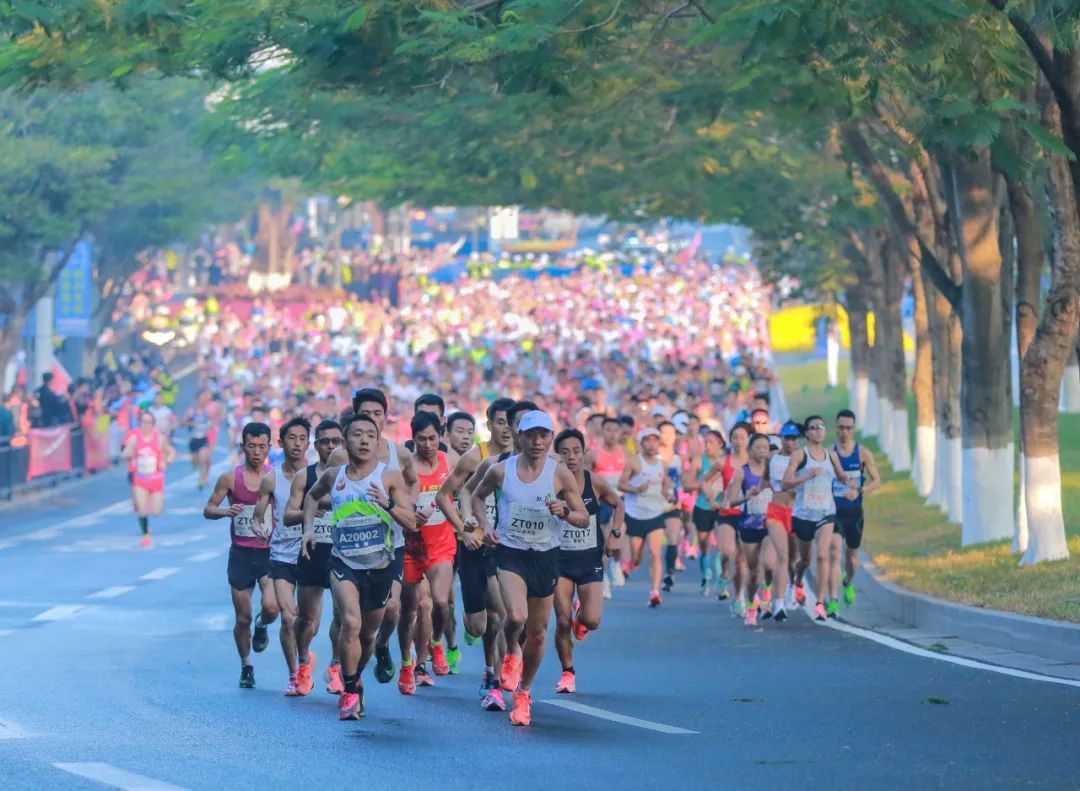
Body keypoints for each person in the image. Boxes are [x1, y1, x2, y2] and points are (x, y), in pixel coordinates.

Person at [470, 410, 589, 727]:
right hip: (510, 552)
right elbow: (476, 497)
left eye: (544, 435)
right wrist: (485, 526)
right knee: (517, 617)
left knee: (536, 634)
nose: (538, 442)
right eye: (532, 435)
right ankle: (510, 653)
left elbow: (583, 517)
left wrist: (564, 511)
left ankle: (523, 693)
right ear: (519, 436)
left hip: (545, 556)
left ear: (550, 438)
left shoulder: (559, 473)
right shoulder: (500, 470)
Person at [301, 413, 417, 720]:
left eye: (370, 435)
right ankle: (350, 692)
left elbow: (411, 523)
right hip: (343, 563)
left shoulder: (389, 476)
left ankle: (356, 676)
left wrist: (387, 503)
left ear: (377, 442)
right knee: (350, 622)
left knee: (367, 634)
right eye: (357, 434)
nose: (364, 440)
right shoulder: (333, 476)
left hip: (381, 565)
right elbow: (311, 499)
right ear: (345, 441)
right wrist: (309, 529)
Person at [435, 396, 515, 711]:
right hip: (474, 548)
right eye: (500, 423)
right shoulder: (474, 458)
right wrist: (463, 529)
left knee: (503, 614)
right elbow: (444, 496)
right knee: (480, 625)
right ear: (490, 424)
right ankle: (488, 667)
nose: (507, 429)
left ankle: (495, 681)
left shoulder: (526, 461)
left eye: (512, 423)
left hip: (507, 549)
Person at [203, 422, 280, 689]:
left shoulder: (276, 476)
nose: (257, 452)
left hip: (270, 552)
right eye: (251, 446)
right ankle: (247, 665)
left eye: (262, 446)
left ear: (269, 447)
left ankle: (262, 625)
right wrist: (226, 511)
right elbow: (209, 508)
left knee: (271, 608)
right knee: (241, 617)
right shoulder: (230, 478)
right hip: (241, 555)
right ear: (243, 447)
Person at [552, 428, 623, 694]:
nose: (571, 457)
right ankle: (567, 672)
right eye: (564, 452)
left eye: (576, 451)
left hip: (590, 558)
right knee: (561, 620)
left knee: (592, 620)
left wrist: (615, 534)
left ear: (584, 453)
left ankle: (581, 617)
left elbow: (618, 505)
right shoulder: (551, 481)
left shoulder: (595, 481)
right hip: (559, 559)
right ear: (556, 455)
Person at [397, 411, 460, 693]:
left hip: (442, 545)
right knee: (410, 610)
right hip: (412, 547)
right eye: (421, 439)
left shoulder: (451, 461)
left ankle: (435, 643)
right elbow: (395, 501)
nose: (428, 444)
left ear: (441, 437)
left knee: (440, 602)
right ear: (413, 439)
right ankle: (407, 664)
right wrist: (410, 513)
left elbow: (465, 493)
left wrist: (463, 518)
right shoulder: (405, 467)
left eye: (432, 438)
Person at [252, 417, 312, 695]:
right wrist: (259, 528)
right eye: (291, 438)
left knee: (307, 622)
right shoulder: (271, 478)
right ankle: (294, 674)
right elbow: (256, 517)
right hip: (281, 554)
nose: (297, 444)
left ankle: (304, 659)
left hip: (313, 553)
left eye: (302, 439)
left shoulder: (319, 476)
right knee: (289, 618)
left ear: (308, 443)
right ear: (281, 443)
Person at [288, 419, 346, 694]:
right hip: (312, 552)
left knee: (343, 615)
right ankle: (303, 663)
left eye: (336, 441)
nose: (331, 446)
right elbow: (288, 515)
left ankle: (335, 667)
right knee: (306, 619)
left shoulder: (352, 476)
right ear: (317, 445)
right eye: (325, 441)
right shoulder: (305, 477)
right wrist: (309, 515)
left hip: (342, 554)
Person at [782, 415, 853, 621]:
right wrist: (807, 475)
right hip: (803, 515)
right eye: (813, 427)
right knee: (804, 559)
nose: (818, 430)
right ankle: (797, 580)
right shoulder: (799, 455)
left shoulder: (831, 455)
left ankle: (820, 603)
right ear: (806, 433)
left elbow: (841, 476)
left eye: (821, 426)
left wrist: (851, 484)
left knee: (823, 556)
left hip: (826, 513)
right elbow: (786, 483)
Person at [618, 427, 674, 607]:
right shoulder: (634, 462)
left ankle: (655, 592)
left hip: (655, 514)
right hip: (635, 514)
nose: (651, 444)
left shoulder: (662, 464)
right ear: (641, 444)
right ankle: (633, 562)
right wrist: (636, 489)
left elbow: (665, 487)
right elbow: (621, 484)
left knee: (656, 553)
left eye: (655, 440)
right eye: (647, 440)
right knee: (636, 556)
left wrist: (669, 495)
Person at [830, 410, 880, 609]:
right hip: (833, 513)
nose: (844, 432)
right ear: (836, 428)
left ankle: (848, 582)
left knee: (851, 556)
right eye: (841, 427)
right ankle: (832, 600)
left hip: (854, 514)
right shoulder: (829, 453)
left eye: (848, 428)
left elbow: (877, 481)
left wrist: (859, 490)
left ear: (854, 429)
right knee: (834, 553)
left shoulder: (862, 453)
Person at [722, 432, 773, 626]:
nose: (762, 451)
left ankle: (767, 590)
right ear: (750, 449)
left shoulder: (773, 471)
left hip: (770, 524)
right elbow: (732, 501)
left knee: (768, 564)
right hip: (749, 525)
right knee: (753, 572)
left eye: (765, 448)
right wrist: (747, 496)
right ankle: (752, 605)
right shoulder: (742, 472)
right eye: (758, 447)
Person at [122, 411, 175, 548]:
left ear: (153, 424)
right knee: (141, 509)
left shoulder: (159, 438)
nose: (146, 425)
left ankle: (150, 503)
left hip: (156, 479)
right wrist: (128, 453)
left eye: (149, 422)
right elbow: (126, 451)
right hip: (140, 479)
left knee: (157, 512)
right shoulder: (135, 438)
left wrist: (167, 461)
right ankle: (145, 535)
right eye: (143, 422)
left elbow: (171, 452)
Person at [588, 416, 627, 597]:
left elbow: (636, 475)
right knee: (604, 540)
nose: (612, 434)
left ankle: (617, 564)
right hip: (603, 503)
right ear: (602, 432)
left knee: (618, 536)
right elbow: (584, 477)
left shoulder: (626, 454)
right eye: (608, 430)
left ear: (620, 433)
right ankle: (603, 581)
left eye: (615, 430)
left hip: (621, 503)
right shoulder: (594, 454)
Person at [185, 389, 216, 489]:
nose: (203, 400)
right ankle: (194, 464)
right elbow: (183, 422)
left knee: (203, 459)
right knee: (195, 460)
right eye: (201, 398)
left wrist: (210, 425)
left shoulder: (207, 411)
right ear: (197, 399)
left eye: (205, 398)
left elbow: (212, 422)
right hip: (193, 439)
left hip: (203, 439)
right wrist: (190, 423)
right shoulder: (191, 411)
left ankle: (201, 480)